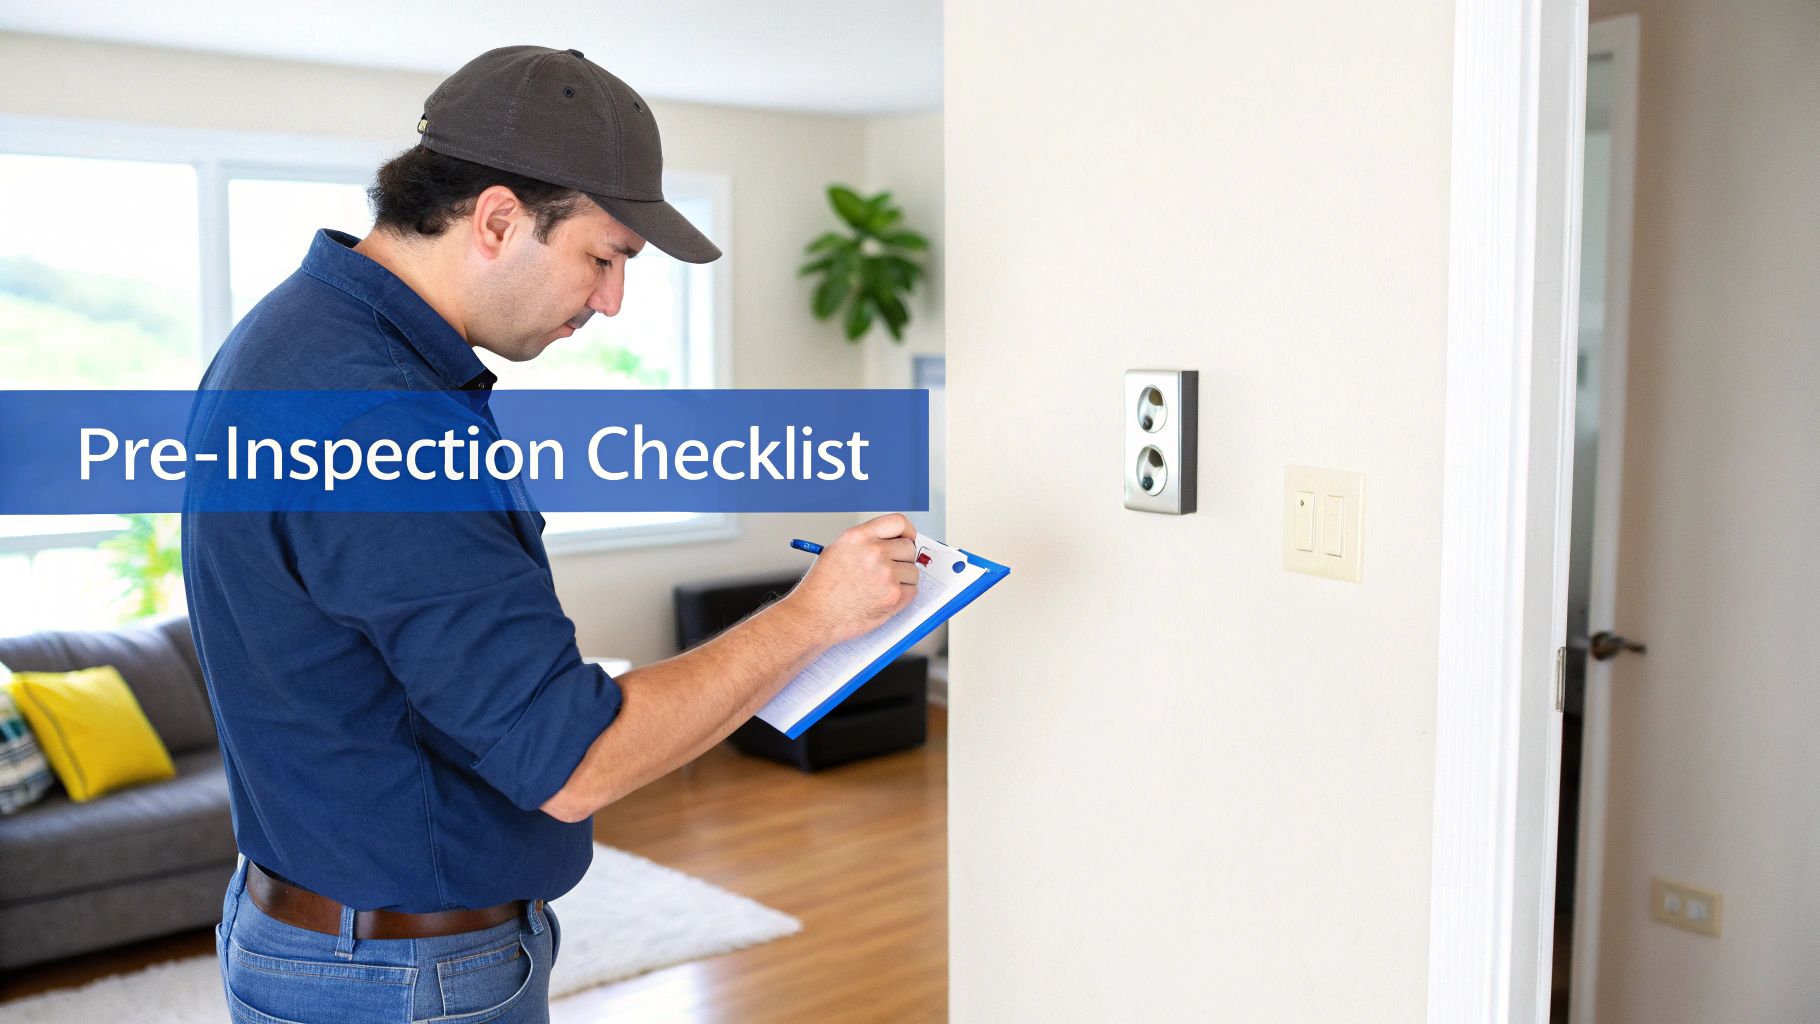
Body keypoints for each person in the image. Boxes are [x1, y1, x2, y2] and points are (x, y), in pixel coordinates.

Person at [188, 45, 918, 1023]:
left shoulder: (297, 334)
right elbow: (573, 763)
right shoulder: (383, 416)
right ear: (497, 219)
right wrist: (813, 616)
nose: (611, 300)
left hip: (330, 935)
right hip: (402, 979)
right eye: (603, 257)